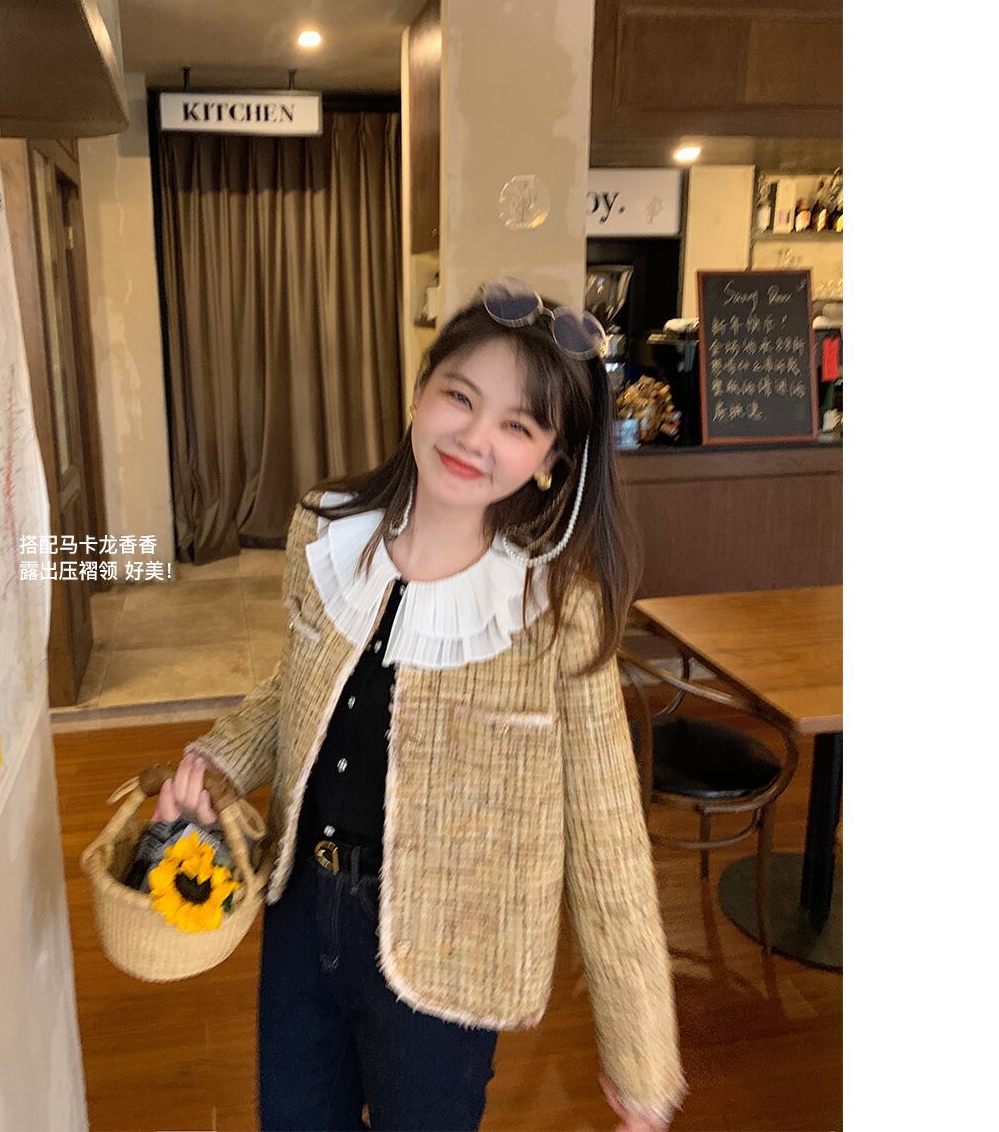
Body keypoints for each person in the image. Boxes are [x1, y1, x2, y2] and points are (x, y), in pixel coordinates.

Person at [153, 277, 686, 1132]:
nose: (475, 438)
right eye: (460, 398)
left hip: (453, 952)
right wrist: (216, 759)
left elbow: (607, 833)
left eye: (518, 425)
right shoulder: (327, 531)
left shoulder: (554, 608)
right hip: (300, 920)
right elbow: (298, 689)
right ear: (419, 390)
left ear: (552, 456)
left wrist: (641, 1054)